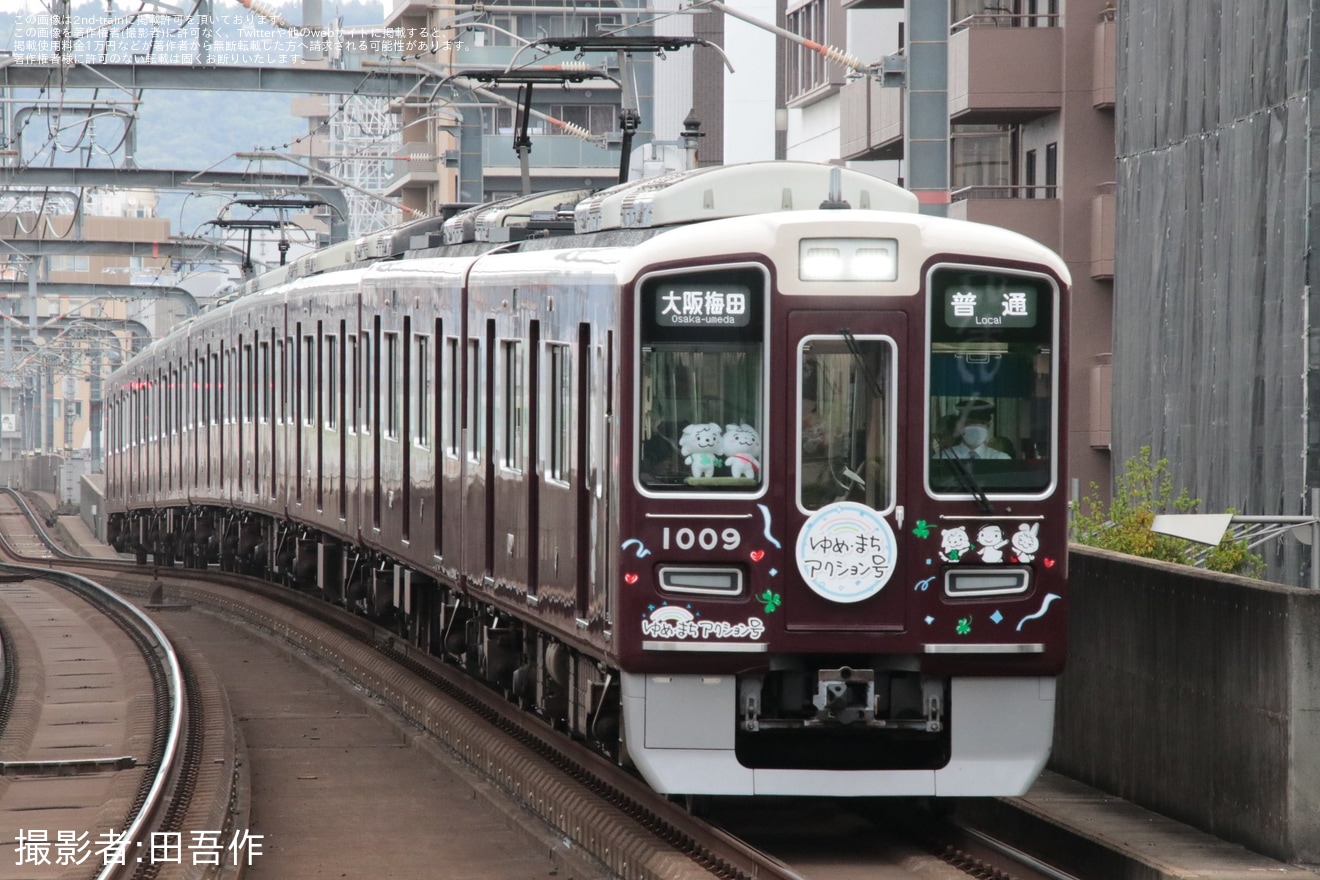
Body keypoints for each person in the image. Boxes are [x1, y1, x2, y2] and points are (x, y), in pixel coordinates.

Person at [939, 398, 1010, 459]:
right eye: (970, 423)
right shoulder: (944, 457)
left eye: (981, 423)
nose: (976, 428)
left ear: (988, 426)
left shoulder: (1001, 458)